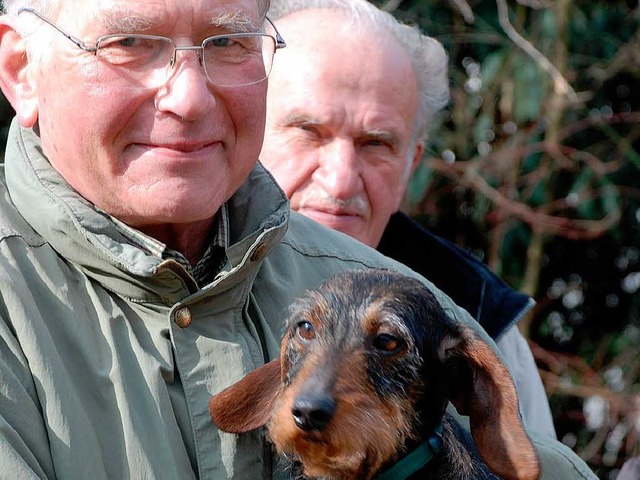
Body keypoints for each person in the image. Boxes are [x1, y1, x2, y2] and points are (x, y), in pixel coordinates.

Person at [0, 0, 594, 478]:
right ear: (21, 70)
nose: (189, 97)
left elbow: (517, 452)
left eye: (227, 41)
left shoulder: (420, 299)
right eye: (128, 43)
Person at [261, 0, 557, 439]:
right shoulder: (178, 283)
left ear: (410, 165)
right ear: (246, 129)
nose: (341, 181)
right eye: (308, 131)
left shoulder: (478, 316)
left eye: (376, 143)